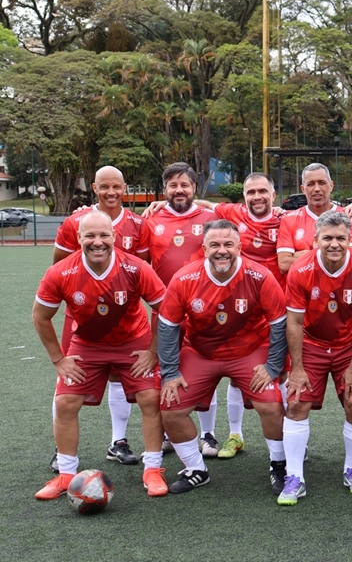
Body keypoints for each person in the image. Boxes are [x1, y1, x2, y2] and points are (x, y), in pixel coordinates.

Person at [34, 210, 168, 499]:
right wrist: (58, 359)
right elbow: (40, 316)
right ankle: (66, 474)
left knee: (150, 398)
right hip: (87, 344)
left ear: (114, 237)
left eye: (104, 235)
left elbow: (165, 310)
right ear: (79, 238)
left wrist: (153, 351)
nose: (98, 242)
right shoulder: (61, 272)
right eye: (90, 236)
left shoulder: (135, 268)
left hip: (133, 341)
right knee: (66, 402)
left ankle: (153, 469)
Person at [157, 219, 288, 494]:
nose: (222, 250)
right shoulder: (184, 278)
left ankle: (279, 464)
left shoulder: (260, 276)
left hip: (249, 351)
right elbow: (168, 326)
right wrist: (170, 372)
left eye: (228, 244)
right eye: (215, 244)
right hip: (201, 352)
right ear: (203, 248)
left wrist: (274, 365)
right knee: (171, 407)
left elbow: (279, 322)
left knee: (271, 405)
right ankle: (196, 469)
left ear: (239, 247)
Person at [49, 166, 152, 472]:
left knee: (122, 375)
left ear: (125, 188)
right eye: (104, 186)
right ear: (94, 188)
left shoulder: (138, 223)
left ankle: (118, 442)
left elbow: (141, 268)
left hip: (126, 317)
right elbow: (59, 266)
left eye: (116, 187)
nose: (110, 192)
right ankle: (61, 450)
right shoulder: (74, 221)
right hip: (82, 316)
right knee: (67, 380)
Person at [277, 211, 352, 503]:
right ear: (315, 240)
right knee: (296, 403)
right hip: (311, 344)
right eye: (327, 238)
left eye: (340, 238)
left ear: (350, 240)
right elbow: (294, 322)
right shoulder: (300, 270)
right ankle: (294, 476)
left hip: (349, 346)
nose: (334, 244)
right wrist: (297, 368)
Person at [143, 163, 219, 458]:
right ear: (164, 190)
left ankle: (209, 434)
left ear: (194, 189)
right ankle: (165, 433)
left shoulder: (211, 217)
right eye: (173, 185)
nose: (179, 190)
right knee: (165, 369)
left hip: (204, 310)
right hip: (165, 311)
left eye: (185, 185)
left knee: (205, 371)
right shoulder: (149, 220)